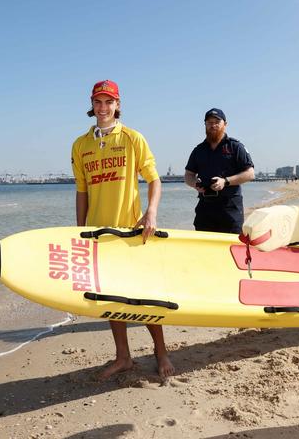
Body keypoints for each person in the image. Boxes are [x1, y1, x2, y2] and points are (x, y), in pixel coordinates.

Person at [71, 79, 174, 380]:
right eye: (98, 102)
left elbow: (154, 180)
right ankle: (123, 357)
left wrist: (151, 212)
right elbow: (82, 192)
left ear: (117, 105)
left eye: (108, 102)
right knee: (110, 299)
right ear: (91, 105)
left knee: (144, 297)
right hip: (99, 235)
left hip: (131, 234)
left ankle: (161, 350)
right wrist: (81, 231)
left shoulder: (132, 139)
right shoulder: (80, 145)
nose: (103, 108)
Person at [184, 108, 254, 234]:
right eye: (209, 122)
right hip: (205, 208)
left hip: (230, 209)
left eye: (217, 122)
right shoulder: (198, 150)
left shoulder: (235, 147)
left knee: (230, 248)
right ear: (205, 125)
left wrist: (225, 181)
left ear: (225, 124)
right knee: (203, 249)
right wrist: (195, 184)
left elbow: (250, 173)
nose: (213, 125)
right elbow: (188, 175)